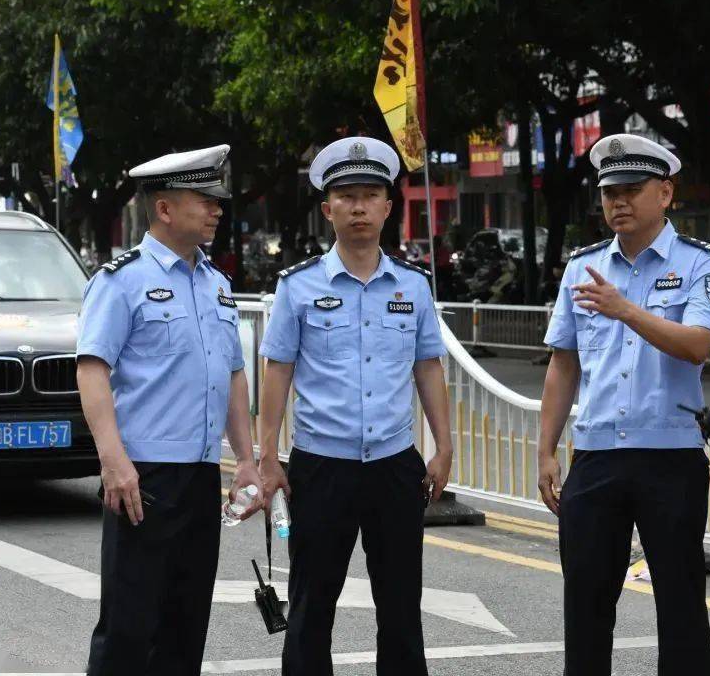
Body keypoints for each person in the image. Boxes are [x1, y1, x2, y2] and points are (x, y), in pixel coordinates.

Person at [256, 136, 453, 676]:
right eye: (346, 196)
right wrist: (267, 456)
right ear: (327, 209)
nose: (359, 206)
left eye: (371, 195)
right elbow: (278, 371)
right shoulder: (297, 287)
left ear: (389, 208)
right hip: (321, 467)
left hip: (394, 466)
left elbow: (428, 366)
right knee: (312, 608)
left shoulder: (413, 287)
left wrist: (444, 446)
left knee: (400, 609)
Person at [538, 133, 710, 676]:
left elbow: (698, 343)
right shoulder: (584, 267)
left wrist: (626, 310)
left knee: (680, 604)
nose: (618, 202)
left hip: (669, 456)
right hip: (596, 455)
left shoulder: (698, 263)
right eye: (609, 192)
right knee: (587, 604)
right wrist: (546, 450)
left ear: (665, 194)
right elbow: (563, 364)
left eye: (631, 189)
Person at [77, 144, 262, 675]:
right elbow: (92, 370)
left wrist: (245, 459)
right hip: (145, 477)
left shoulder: (217, 285)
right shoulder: (122, 280)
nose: (216, 209)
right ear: (163, 208)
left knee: (185, 627)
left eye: (217, 200)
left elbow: (231, 373)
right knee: (129, 629)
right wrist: (114, 463)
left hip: (200, 475)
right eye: (203, 198)